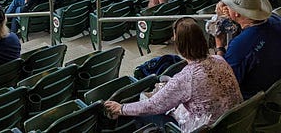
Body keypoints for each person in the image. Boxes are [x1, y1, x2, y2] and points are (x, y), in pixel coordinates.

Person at [104, 18, 242, 131]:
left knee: (142, 114)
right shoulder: (220, 60)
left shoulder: (185, 78)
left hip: (206, 128)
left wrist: (121, 108)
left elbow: (151, 106)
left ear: (179, 45)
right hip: (233, 123)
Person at [213, 0, 281, 99]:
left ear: (236, 13)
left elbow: (222, 86)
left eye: (229, 5)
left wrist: (219, 47)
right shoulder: (276, 20)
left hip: (254, 106)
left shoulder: (239, 45)